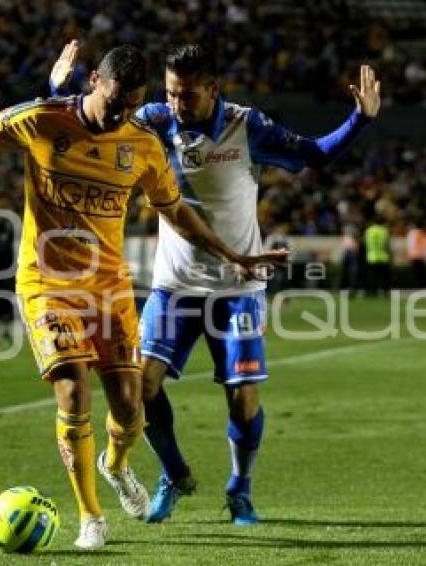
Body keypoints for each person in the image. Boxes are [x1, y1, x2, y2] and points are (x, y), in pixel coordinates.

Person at [0, 45, 284, 549]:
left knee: (131, 407)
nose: (120, 114)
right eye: (113, 102)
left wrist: (233, 255)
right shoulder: (43, 120)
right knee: (73, 391)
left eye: (131, 105)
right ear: (92, 83)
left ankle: (117, 462)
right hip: (47, 283)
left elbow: (177, 213)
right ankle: (92, 518)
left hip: (107, 286)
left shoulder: (143, 144)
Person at [50, 41, 380, 524]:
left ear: (213, 89)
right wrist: (57, 87)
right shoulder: (155, 121)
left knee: (243, 396)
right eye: (170, 93)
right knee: (142, 386)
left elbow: (315, 155)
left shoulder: (249, 127)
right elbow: (89, 122)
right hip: (174, 286)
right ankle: (173, 472)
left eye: (187, 95)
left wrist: (361, 120)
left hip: (237, 287)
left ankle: (239, 489)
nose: (177, 104)